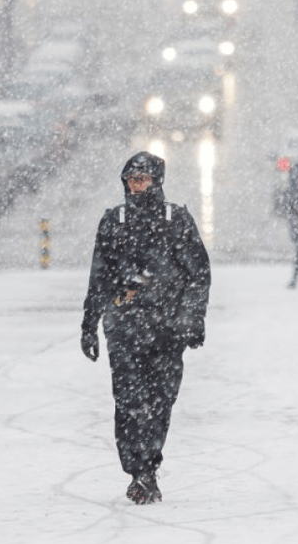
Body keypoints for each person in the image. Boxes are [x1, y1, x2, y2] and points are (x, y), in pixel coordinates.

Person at [81, 152, 211, 505]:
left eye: (143, 179)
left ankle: (148, 467)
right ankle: (138, 470)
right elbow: (99, 277)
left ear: (157, 181)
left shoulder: (176, 220)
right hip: (124, 325)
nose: (136, 186)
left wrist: (193, 318)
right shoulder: (113, 222)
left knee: (160, 401)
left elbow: (198, 275)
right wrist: (89, 323)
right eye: (131, 179)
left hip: (168, 328)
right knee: (128, 401)